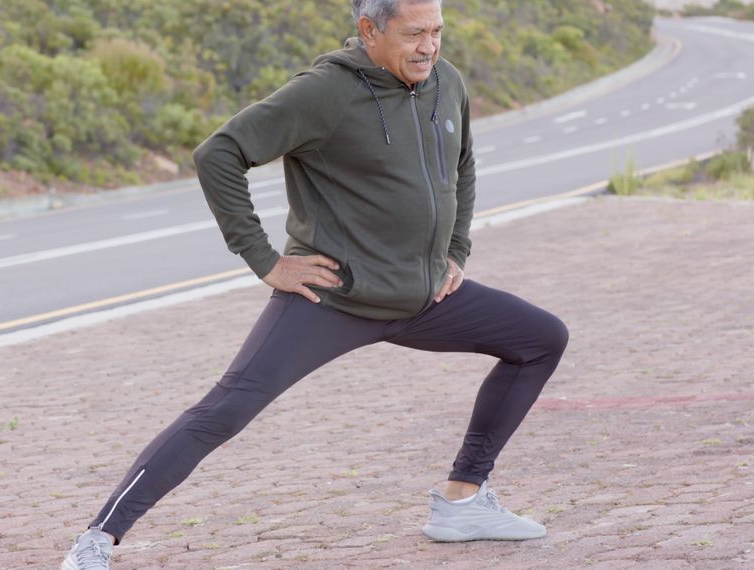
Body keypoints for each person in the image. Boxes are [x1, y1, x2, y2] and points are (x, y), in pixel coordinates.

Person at [61, 0, 569, 567]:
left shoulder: (446, 82)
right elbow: (219, 154)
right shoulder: (323, 92)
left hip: (425, 297)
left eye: (438, 31)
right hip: (333, 300)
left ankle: (463, 500)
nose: (430, 46)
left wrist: (456, 250)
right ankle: (98, 540)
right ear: (369, 30)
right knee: (224, 410)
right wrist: (265, 260)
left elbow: (463, 166)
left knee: (540, 339)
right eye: (415, 33)